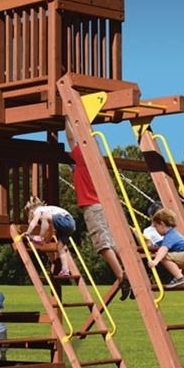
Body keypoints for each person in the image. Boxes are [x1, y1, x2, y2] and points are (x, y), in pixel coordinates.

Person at [65, 119, 130, 300]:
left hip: (92, 206)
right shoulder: (95, 161)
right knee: (112, 241)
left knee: (101, 243)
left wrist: (68, 117)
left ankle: (121, 275)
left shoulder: (84, 157)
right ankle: (128, 271)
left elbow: (71, 137)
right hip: (103, 205)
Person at [146, 207, 184, 325]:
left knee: (164, 256)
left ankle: (179, 277)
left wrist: (156, 261)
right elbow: (160, 245)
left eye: (156, 227)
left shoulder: (170, 235)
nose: (156, 230)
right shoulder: (174, 235)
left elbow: (163, 250)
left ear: (162, 224)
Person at [22, 196, 75, 278]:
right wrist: (47, 239)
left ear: (31, 211)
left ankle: (40, 238)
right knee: (60, 247)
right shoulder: (49, 210)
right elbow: (50, 229)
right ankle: (65, 269)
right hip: (71, 223)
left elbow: (34, 222)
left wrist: (28, 232)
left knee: (45, 216)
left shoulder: (39, 210)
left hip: (65, 220)